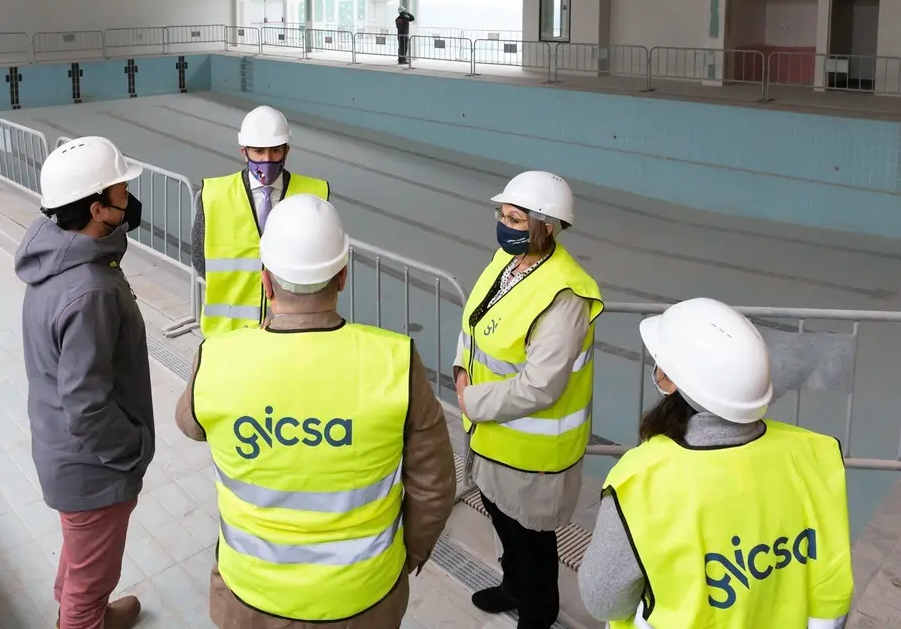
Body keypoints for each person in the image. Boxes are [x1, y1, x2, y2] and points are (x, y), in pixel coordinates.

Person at [176, 194, 457, 628]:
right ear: (343, 276)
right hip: (365, 598)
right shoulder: (396, 362)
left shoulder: (216, 358)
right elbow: (434, 489)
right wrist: (404, 556)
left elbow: (189, 424)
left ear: (265, 281)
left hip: (251, 598)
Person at [579, 297, 853, 628]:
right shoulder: (813, 455)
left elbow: (604, 601)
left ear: (669, 382)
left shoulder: (642, 480)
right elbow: (831, 585)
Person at [454, 170, 604, 629]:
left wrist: (470, 400)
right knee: (504, 526)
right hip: (492, 437)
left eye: (516, 219)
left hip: (532, 456)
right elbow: (477, 324)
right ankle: (512, 587)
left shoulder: (565, 295)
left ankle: (537, 612)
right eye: (502, 214)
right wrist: (461, 367)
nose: (504, 225)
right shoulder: (508, 260)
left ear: (548, 225)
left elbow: (542, 385)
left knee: (532, 543)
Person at [16, 136, 155, 629]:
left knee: (81, 557)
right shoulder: (88, 289)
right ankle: (83, 616)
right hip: (92, 468)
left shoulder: (58, 258)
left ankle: (88, 609)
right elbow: (87, 406)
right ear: (98, 209)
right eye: (121, 193)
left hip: (64, 451)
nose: (129, 201)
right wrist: (131, 450)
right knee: (90, 574)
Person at [191, 105, 330, 336]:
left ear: (287, 150)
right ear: (243, 151)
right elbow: (200, 259)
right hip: (229, 335)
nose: (267, 159)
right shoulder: (214, 196)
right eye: (258, 151)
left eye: (275, 151)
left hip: (294, 331)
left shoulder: (313, 196)